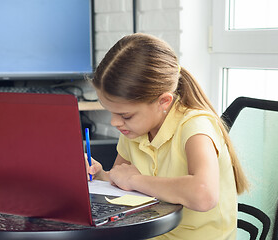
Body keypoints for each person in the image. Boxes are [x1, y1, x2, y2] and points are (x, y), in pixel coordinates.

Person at [86, 33, 248, 240]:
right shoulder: (134, 128)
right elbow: (122, 180)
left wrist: (135, 179)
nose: (114, 122)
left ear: (163, 101)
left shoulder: (195, 126)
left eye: (125, 115)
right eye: (111, 112)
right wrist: (99, 174)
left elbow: (204, 195)